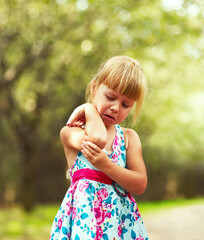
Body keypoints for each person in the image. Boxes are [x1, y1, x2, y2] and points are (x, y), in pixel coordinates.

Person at [49, 56, 149, 240]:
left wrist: (107, 166)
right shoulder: (72, 133)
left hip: (120, 224)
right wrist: (88, 108)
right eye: (110, 97)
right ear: (94, 87)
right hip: (84, 221)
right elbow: (98, 139)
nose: (115, 108)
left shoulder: (128, 137)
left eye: (125, 104)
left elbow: (140, 183)